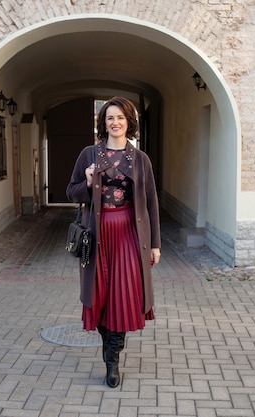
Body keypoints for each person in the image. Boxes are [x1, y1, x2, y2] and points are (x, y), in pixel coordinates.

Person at [66, 96, 161, 388]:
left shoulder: (140, 159)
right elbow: (72, 193)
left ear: (129, 122)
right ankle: (109, 352)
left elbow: (152, 204)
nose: (115, 123)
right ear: (103, 122)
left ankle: (112, 360)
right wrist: (88, 179)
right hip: (97, 234)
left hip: (130, 235)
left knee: (123, 295)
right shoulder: (89, 154)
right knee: (101, 295)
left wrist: (155, 243)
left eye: (120, 117)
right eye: (109, 118)